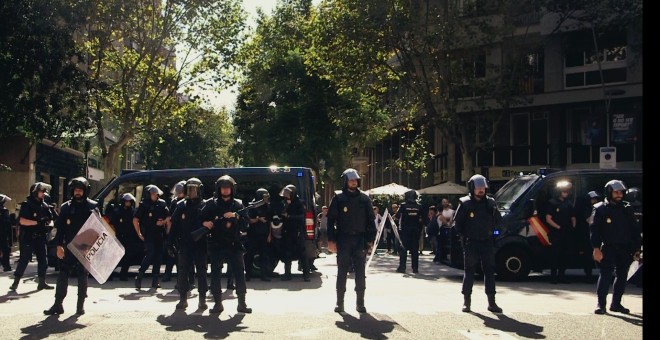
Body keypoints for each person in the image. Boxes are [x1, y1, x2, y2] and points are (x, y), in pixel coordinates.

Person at [44, 177, 98, 315]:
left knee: (82, 275)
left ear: (85, 191)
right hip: (68, 247)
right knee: (62, 274)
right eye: (75, 190)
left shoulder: (92, 207)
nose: (78, 192)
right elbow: (59, 228)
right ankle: (58, 304)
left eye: (80, 190)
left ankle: (80, 306)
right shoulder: (66, 207)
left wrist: (94, 248)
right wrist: (58, 246)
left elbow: (99, 230)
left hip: (85, 248)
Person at [327, 168, 376, 313]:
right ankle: (339, 303)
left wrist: (370, 240)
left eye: (355, 180)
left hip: (360, 239)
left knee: (360, 272)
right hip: (343, 239)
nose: (354, 182)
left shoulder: (365, 198)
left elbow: (370, 222)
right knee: (342, 271)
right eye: (351, 180)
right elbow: (330, 221)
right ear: (346, 181)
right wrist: (331, 240)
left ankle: (360, 303)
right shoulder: (338, 198)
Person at [201, 175, 252, 314]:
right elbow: (200, 218)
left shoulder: (238, 205)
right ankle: (217, 303)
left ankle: (242, 303)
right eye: (223, 188)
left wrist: (236, 216)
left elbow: (246, 225)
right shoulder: (211, 204)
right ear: (219, 189)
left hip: (234, 243)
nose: (225, 190)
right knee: (216, 273)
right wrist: (205, 223)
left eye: (228, 187)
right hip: (216, 243)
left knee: (239, 273)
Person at [590, 180, 641, 315]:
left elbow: (634, 230)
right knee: (605, 275)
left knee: (622, 276)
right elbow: (594, 230)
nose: (619, 195)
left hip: (625, 248)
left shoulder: (627, 208)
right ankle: (601, 305)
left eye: (621, 192)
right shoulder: (600, 208)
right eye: (616, 192)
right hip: (608, 247)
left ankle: (616, 304)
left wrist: (637, 249)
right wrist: (596, 248)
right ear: (609, 192)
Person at [454, 174, 503, 313]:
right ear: (472, 188)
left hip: (487, 242)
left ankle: (492, 303)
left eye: (483, 187)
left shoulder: (491, 203)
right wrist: (464, 237)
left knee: (489, 271)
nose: (481, 190)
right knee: (469, 272)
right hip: (471, 243)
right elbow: (457, 225)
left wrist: (494, 233)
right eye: (478, 188)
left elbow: (499, 222)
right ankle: (467, 302)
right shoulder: (465, 204)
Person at [168, 178, 209, 310]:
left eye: (194, 189)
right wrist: (169, 243)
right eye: (189, 189)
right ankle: (183, 298)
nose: (192, 192)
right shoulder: (181, 206)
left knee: (202, 271)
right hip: (185, 244)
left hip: (200, 244)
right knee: (182, 271)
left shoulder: (206, 205)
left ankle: (202, 299)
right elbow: (173, 226)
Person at [11, 182, 54, 291]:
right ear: (35, 192)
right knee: (24, 260)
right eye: (41, 192)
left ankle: (42, 282)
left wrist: (49, 224)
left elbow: (51, 219)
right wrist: (37, 222)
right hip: (29, 237)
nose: (43, 194)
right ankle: (15, 283)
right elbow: (22, 221)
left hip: (41, 237)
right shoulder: (27, 204)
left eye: (44, 192)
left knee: (43, 260)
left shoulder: (44, 205)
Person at [133, 184, 169, 289]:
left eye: (156, 193)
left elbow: (169, 216)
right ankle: (139, 277)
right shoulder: (144, 205)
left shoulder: (162, 204)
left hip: (159, 234)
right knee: (150, 254)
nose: (154, 195)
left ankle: (155, 281)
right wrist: (139, 233)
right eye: (152, 193)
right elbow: (135, 220)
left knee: (158, 257)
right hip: (148, 234)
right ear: (148, 194)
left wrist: (163, 223)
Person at [544, 180, 577, 284]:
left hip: (566, 232)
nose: (566, 193)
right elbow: (548, 219)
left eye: (567, 192)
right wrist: (558, 227)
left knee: (565, 255)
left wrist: (573, 226)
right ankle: (553, 277)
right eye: (564, 191)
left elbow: (573, 217)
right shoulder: (552, 203)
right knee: (555, 255)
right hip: (556, 233)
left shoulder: (568, 203)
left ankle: (562, 276)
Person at [279, 184, 310, 282]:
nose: (286, 196)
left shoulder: (300, 203)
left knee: (302, 254)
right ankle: (287, 274)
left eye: (288, 194)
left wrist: (289, 216)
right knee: (287, 253)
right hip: (287, 232)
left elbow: (301, 217)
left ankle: (306, 275)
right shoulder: (284, 202)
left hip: (298, 232)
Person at [109, 193, 140, 281]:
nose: (128, 203)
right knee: (116, 256)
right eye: (126, 201)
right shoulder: (117, 211)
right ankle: (109, 274)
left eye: (129, 202)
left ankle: (123, 274)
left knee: (128, 257)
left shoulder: (133, 212)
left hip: (129, 237)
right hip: (119, 237)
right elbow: (111, 224)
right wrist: (114, 234)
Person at [246, 188, 274, 281]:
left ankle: (264, 275)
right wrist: (258, 219)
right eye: (264, 196)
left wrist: (269, 234)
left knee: (264, 255)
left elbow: (269, 221)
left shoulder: (268, 207)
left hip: (264, 234)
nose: (266, 199)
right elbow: (249, 220)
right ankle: (248, 275)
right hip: (252, 235)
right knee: (249, 255)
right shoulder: (252, 206)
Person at [395, 190, 424, 274]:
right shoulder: (419, 206)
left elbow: (397, 216)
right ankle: (415, 268)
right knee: (415, 250)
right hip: (416, 231)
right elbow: (424, 219)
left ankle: (402, 267)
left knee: (403, 250)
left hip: (405, 231)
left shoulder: (403, 206)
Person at [163, 180, 186, 283]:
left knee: (181, 258)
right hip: (175, 231)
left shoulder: (187, 201)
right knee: (171, 255)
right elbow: (170, 217)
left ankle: (181, 278)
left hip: (184, 231)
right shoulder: (175, 201)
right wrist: (169, 232)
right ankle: (168, 275)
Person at [437, 198, 455, 262]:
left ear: (448, 202)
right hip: (441, 229)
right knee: (441, 244)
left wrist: (447, 220)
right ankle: (441, 258)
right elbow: (441, 218)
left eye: (446, 202)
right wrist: (447, 220)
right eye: (443, 202)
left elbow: (451, 220)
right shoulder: (440, 212)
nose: (444, 203)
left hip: (450, 229)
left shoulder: (452, 211)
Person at [0, 194, 13, 272]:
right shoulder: (4, 211)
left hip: (3, 234)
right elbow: (7, 224)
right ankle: (6, 265)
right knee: (5, 251)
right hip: (4, 234)